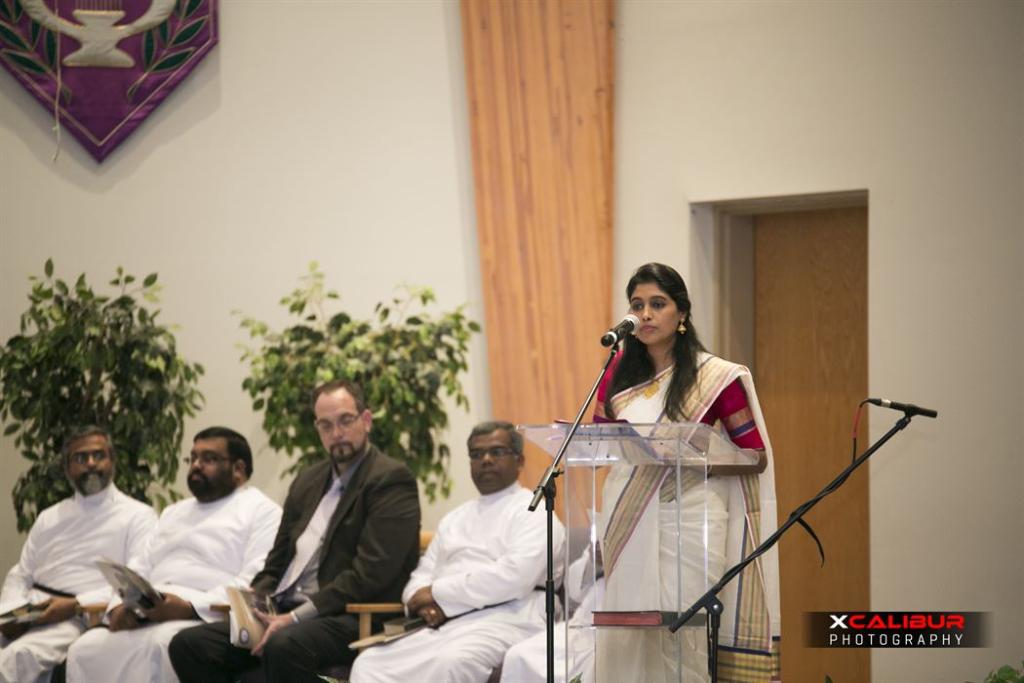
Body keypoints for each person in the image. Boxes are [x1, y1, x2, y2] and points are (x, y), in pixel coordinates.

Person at [594, 263, 781, 682]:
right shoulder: (615, 374)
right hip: (628, 516)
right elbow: (599, 440)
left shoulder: (715, 378)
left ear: (681, 313)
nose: (645, 314)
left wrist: (690, 458)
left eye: (657, 304)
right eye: (637, 305)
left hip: (691, 517)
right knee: (630, 637)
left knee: (682, 634)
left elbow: (755, 456)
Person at [168, 379, 422, 682]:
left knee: (283, 645)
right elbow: (276, 563)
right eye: (326, 425)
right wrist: (253, 605)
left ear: (366, 420)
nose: (336, 433)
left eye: (345, 421)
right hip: (285, 610)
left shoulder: (391, 479)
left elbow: (371, 573)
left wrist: (295, 618)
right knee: (190, 644)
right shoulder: (308, 480)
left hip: (350, 615)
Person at [349, 421, 564, 683]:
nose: (486, 460)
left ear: (519, 461)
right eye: (476, 454)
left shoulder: (535, 512)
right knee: (369, 664)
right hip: (445, 622)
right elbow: (423, 574)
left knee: (450, 663)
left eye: (497, 452)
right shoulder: (454, 518)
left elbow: (514, 577)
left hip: (508, 617)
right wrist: (420, 603)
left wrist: (438, 595)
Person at [64, 426, 282, 683]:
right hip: (150, 608)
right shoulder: (174, 512)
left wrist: (189, 608)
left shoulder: (262, 510)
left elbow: (253, 581)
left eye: (209, 459)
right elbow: (139, 566)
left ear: (238, 468)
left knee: (161, 645)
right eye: (193, 458)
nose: (196, 465)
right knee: (84, 648)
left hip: (204, 617)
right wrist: (118, 607)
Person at [0, 426, 157, 683]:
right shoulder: (49, 517)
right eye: (81, 458)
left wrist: (77, 604)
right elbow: (21, 574)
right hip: (28, 611)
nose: (91, 463)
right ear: (67, 468)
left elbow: (136, 580)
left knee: (18, 657)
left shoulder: (138, 516)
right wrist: (10, 613)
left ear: (112, 461)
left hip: (77, 616)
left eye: (98, 455)